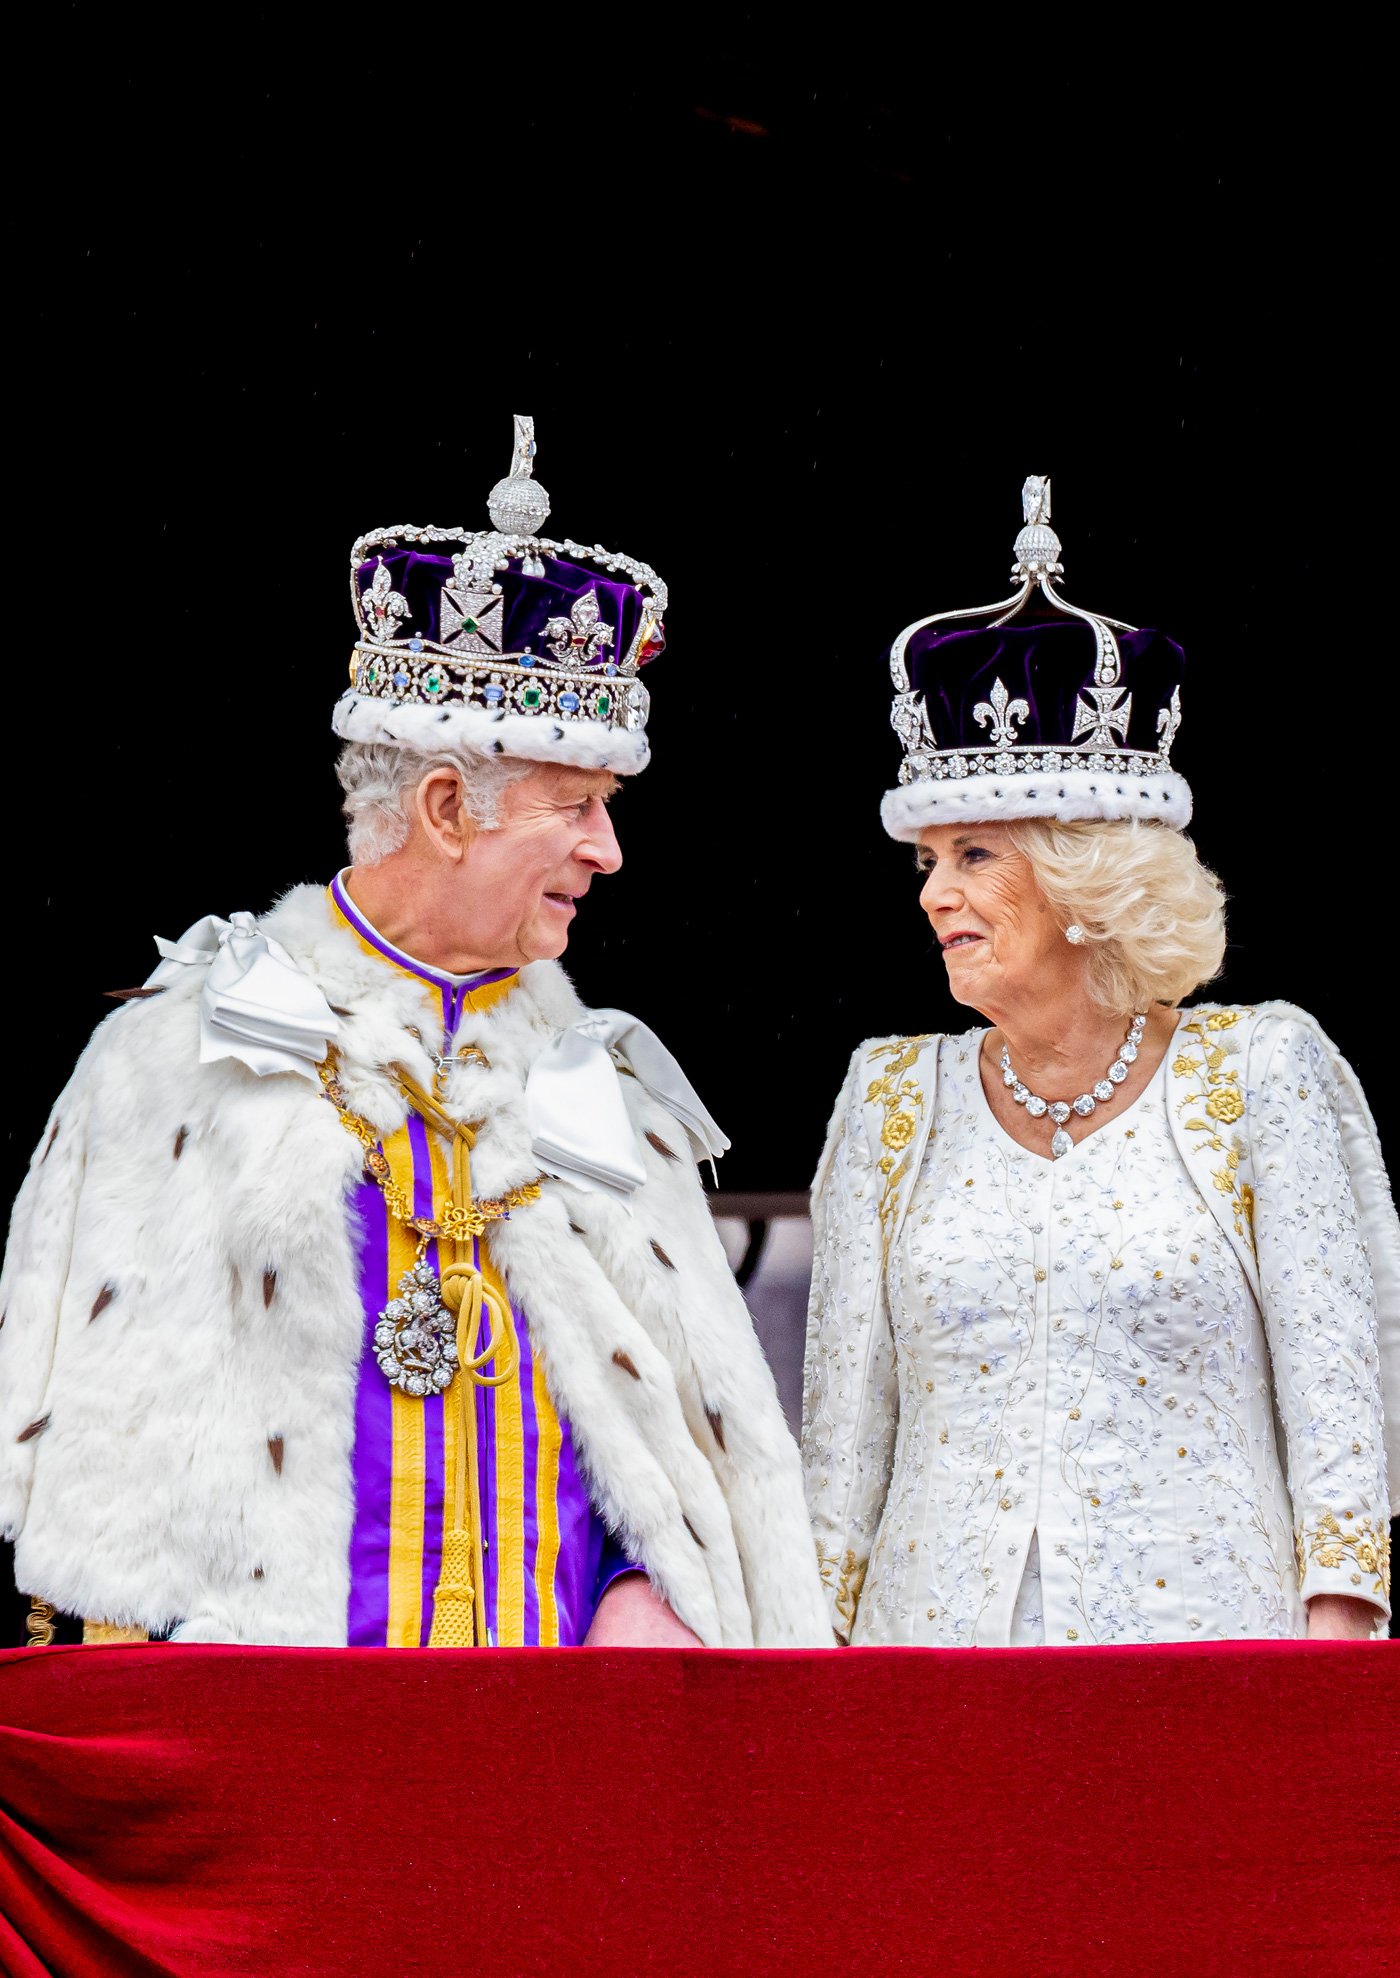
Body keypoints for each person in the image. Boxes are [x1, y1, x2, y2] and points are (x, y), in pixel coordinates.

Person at [1, 416, 828, 1651]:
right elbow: (92, 1463)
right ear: (446, 806)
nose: (608, 851)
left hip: (560, 1744)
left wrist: (651, 1595)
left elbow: (668, 1432)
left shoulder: (598, 1086)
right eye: (578, 808)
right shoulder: (179, 1052)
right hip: (276, 1739)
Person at [802, 475, 1397, 1647]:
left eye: (972, 855)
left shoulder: (1257, 1071)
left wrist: (1330, 1669)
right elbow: (841, 1445)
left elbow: (1341, 1411)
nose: (934, 896)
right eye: (926, 861)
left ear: (1083, 883)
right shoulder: (888, 1096)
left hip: (1208, 1682)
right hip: (932, 1687)